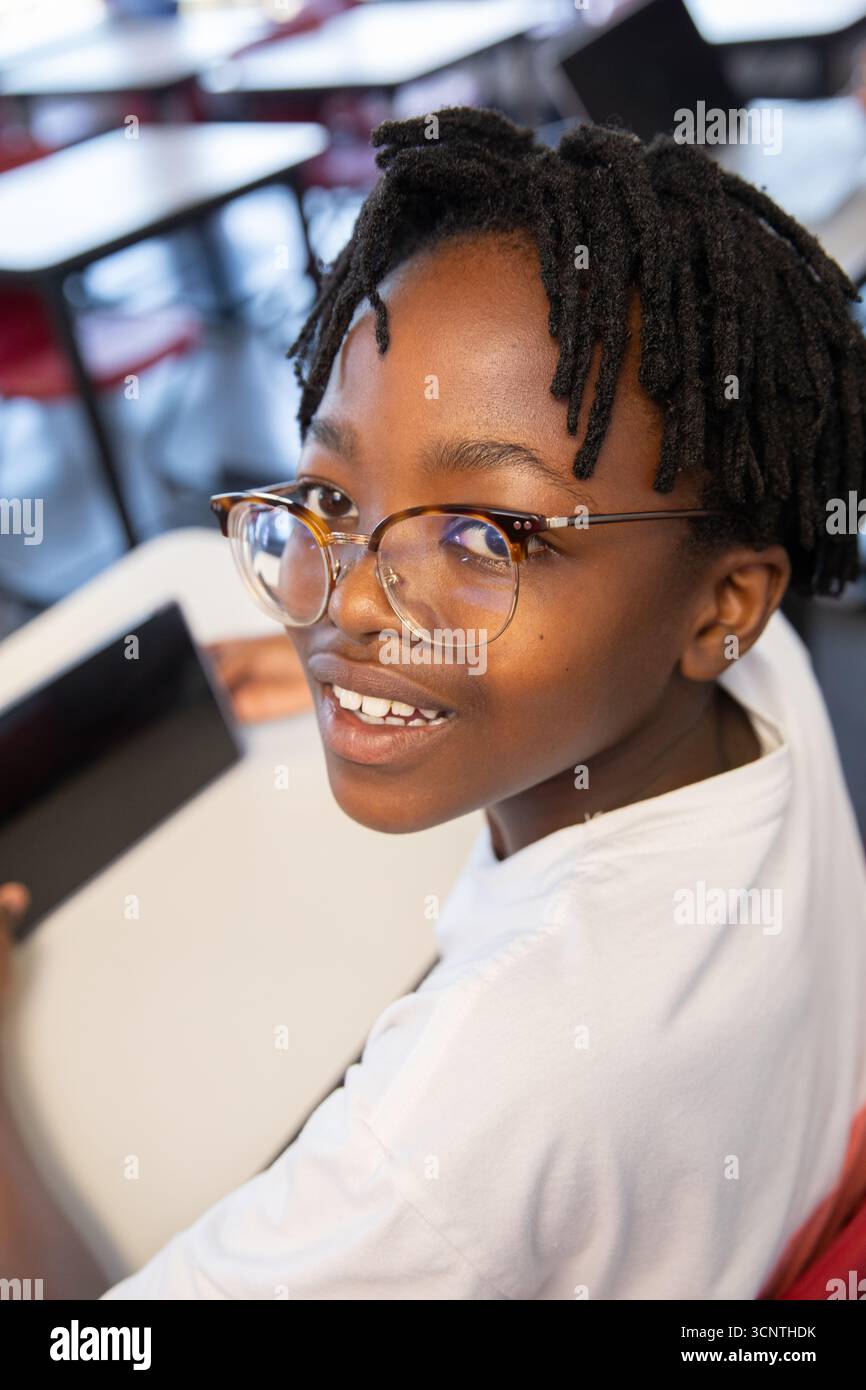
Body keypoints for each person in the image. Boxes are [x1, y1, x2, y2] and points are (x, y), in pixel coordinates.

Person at [2, 107, 866, 1299]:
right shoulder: (754, 678)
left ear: (721, 606)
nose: (349, 600)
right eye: (332, 496)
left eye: (483, 532)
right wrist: (387, 670)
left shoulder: (435, 1154)